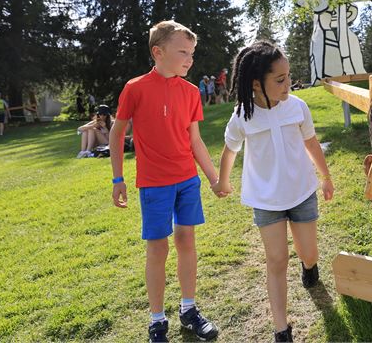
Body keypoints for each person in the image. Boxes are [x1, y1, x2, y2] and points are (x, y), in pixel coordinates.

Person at [108, 20, 223, 343]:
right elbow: (117, 134)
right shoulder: (135, 88)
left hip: (187, 180)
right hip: (154, 184)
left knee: (187, 240)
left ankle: (189, 310)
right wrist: (118, 178)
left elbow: (196, 141)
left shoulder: (191, 92)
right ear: (158, 52)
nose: (189, 59)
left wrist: (213, 178)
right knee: (157, 248)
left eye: (192, 53)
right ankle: (157, 321)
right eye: (182, 52)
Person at [214, 41, 334, 343]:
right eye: (280, 80)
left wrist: (326, 176)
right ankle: (281, 329)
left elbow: (311, 143)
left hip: (302, 191)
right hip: (266, 199)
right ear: (256, 84)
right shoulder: (243, 115)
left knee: (309, 252)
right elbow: (230, 151)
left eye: (288, 76)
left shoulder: (297, 107)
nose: (288, 85)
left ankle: (310, 267)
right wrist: (222, 181)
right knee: (277, 259)